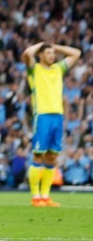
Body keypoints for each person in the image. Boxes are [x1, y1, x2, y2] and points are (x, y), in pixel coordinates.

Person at [22, 42, 81, 207]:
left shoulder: (58, 68)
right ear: (40, 55)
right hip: (42, 115)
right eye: (48, 53)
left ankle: (46, 196)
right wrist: (41, 44)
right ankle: (35, 196)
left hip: (58, 116)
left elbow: (76, 53)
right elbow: (27, 53)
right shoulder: (34, 69)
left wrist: (55, 46)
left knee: (52, 156)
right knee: (38, 155)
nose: (52, 56)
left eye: (52, 53)